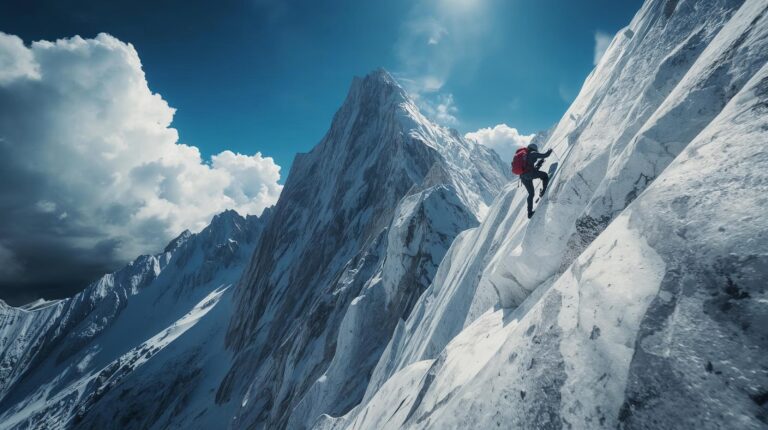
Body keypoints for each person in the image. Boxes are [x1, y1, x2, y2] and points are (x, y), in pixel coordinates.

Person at [520, 143, 552, 219]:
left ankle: (530, 213)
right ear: (534, 149)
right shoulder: (533, 153)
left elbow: (528, 167)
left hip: (523, 177)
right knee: (544, 176)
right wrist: (550, 150)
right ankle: (543, 191)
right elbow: (546, 155)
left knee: (531, 193)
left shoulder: (524, 155)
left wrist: (538, 164)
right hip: (529, 175)